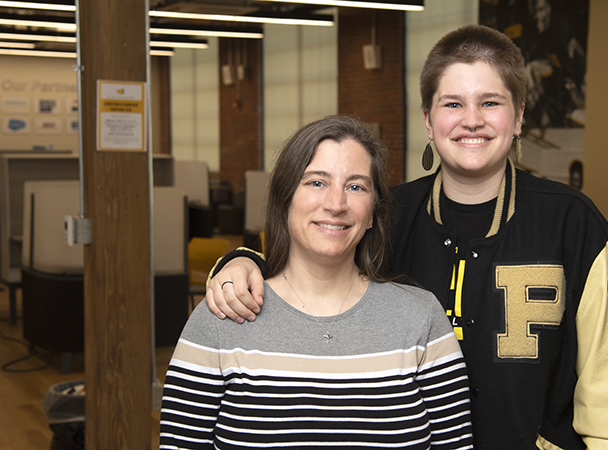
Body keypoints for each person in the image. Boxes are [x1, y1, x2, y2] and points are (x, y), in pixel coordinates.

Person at [204, 25, 608, 449]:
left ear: (519, 117)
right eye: (453, 104)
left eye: (490, 102)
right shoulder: (383, 214)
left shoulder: (572, 222)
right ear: (429, 120)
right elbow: (306, 266)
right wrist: (246, 260)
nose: (472, 120)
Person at [160, 115, 474, 449]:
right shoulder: (222, 317)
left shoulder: (421, 318)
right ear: (285, 199)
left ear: (372, 212)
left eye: (355, 186)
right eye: (316, 182)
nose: (335, 204)